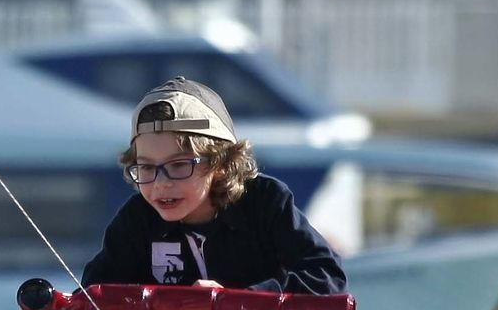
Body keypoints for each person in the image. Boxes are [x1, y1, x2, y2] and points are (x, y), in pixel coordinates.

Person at [82, 77, 346, 295]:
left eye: (179, 166)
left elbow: (327, 277)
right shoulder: (137, 220)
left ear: (220, 163)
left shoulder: (265, 203)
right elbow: (94, 294)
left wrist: (238, 299)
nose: (161, 183)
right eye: (147, 167)